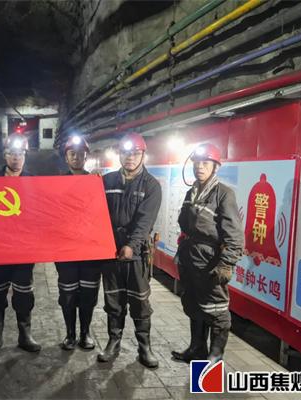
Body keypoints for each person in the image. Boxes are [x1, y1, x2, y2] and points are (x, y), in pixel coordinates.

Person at [172, 143, 243, 364]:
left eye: (205, 163)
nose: (199, 167)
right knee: (193, 303)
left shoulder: (224, 194)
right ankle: (197, 349)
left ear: (215, 167)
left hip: (210, 261)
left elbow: (234, 234)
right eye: (197, 163)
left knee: (217, 309)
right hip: (190, 257)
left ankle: (215, 356)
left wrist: (226, 264)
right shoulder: (191, 192)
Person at [98, 132, 161, 369]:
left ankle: (144, 347)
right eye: (126, 152)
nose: (130, 157)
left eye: (135, 153)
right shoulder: (107, 181)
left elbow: (145, 222)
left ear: (143, 155)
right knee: (113, 299)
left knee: (139, 301)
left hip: (136, 254)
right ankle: (113, 342)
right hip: (110, 251)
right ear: (119, 154)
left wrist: (131, 246)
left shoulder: (151, 185)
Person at [0, 134, 41, 356]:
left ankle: (24, 334)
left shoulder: (33, 182)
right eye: (12, 153)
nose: (16, 158)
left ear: (25, 156)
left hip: (23, 249)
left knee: (24, 293)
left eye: (20, 154)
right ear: (5, 155)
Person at [54, 135, 102, 351]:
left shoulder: (96, 182)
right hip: (66, 251)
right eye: (72, 153)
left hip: (90, 249)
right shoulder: (56, 185)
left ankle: (85, 333)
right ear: (66, 157)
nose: (76, 157)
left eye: (80, 153)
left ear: (86, 157)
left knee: (88, 293)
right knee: (68, 293)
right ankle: (70, 334)